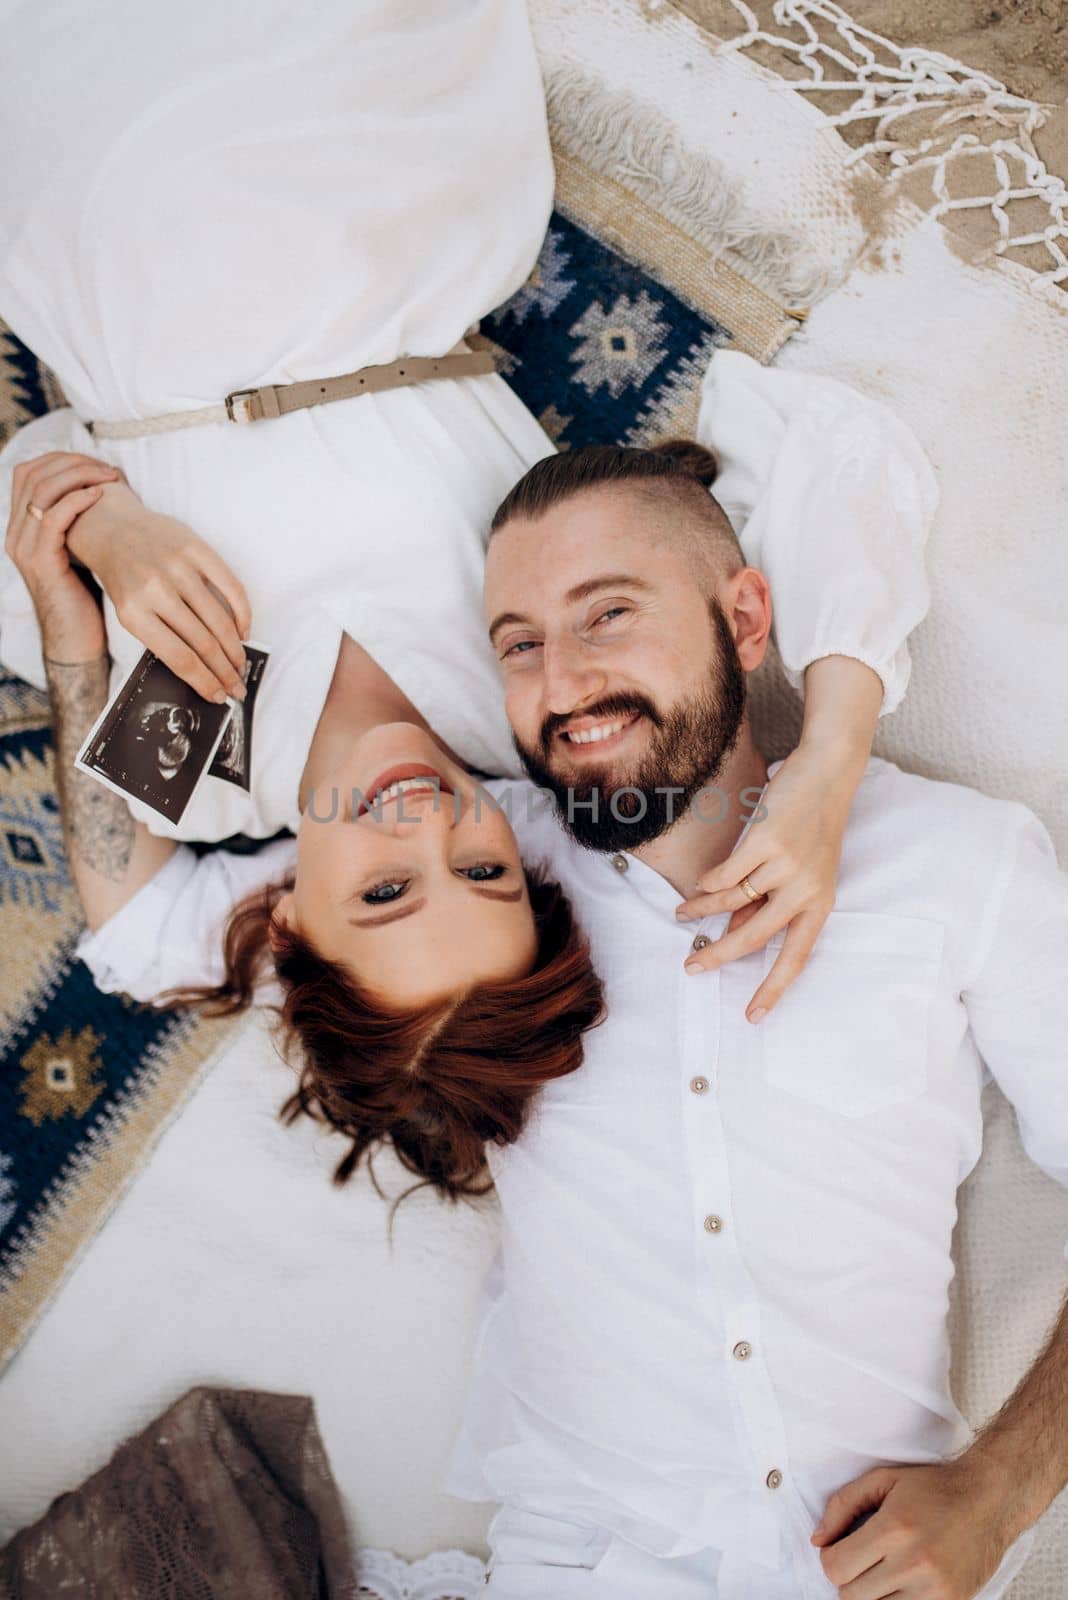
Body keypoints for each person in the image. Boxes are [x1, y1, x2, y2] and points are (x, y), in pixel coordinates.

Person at [0, 6, 935, 1194]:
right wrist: (832, 760)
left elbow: (135, 941)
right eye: (487, 873)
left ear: (288, 925)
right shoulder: (550, 706)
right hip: (344, 155)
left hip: (90, 216)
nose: (428, 826)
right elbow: (839, 460)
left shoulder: (202, 767)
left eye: (386, 892)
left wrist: (99, 539)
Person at [421, 427, 1066, 1600]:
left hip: (891, 1562)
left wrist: (1002, 1487)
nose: (559, 684)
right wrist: (79, 608)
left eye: (605, 613)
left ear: (749, 618)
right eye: (518, 644)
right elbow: (151, 917)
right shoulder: (465, 869)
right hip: (581, 1563)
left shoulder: (955, 861)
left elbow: (826, 437)